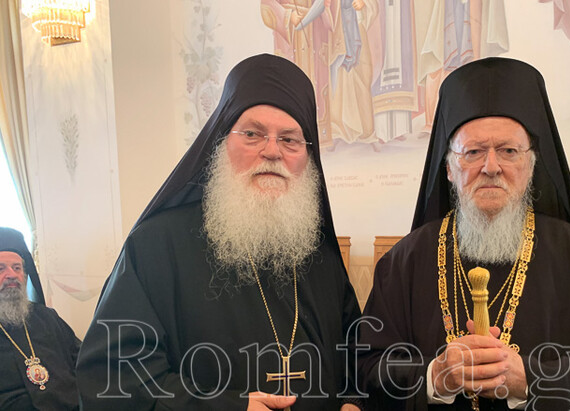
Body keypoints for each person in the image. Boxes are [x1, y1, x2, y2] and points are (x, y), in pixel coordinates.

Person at [356, 57, 570, 410]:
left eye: (509, 151)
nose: (491, 167)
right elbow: (367, 366)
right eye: (473, 152)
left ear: (530, 165)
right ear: (449, 168)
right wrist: (436, 376)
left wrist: (531, 379)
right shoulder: (404, 261)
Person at [76, 54, 363, 410]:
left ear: (308, 156)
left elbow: (357, 350)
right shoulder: (156, 246)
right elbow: (111, 376)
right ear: (221, 141)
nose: (272, 151)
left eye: (289, 140)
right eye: (253, 134)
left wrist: (354, 401)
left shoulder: (317, 252)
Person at [0, 227, 80, 410]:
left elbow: (82, 359)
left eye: (17, 268)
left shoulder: (47, 317)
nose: (11, 275)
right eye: (1, 268)